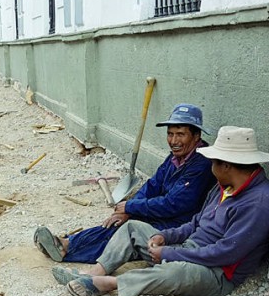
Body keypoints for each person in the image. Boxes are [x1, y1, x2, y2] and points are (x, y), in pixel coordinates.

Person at [52, 126, 269, 296]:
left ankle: (109, 284)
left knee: (177, 272)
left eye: (213, 163)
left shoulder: (260, 202)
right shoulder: (225, 185)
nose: (210, 168)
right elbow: (196, 223)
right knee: (133, 228)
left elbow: (226, 253)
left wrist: (171, 253)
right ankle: (95, 273)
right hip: (191, 250)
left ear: (227, 165)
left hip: (215, 273)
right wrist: (165, 237)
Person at [34, 104, 215, 263]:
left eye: (180, 134)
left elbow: (174, 204)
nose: (174, 141)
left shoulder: (202, 164)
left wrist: (131, 206)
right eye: (170, 134)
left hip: (179, 225)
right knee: (115, 223)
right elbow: (152, 185)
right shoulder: (176, 157)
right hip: (164, 215)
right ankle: (67, 242)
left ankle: (68, 252)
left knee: (125, 235)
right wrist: (128, 210)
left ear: (196, 135)